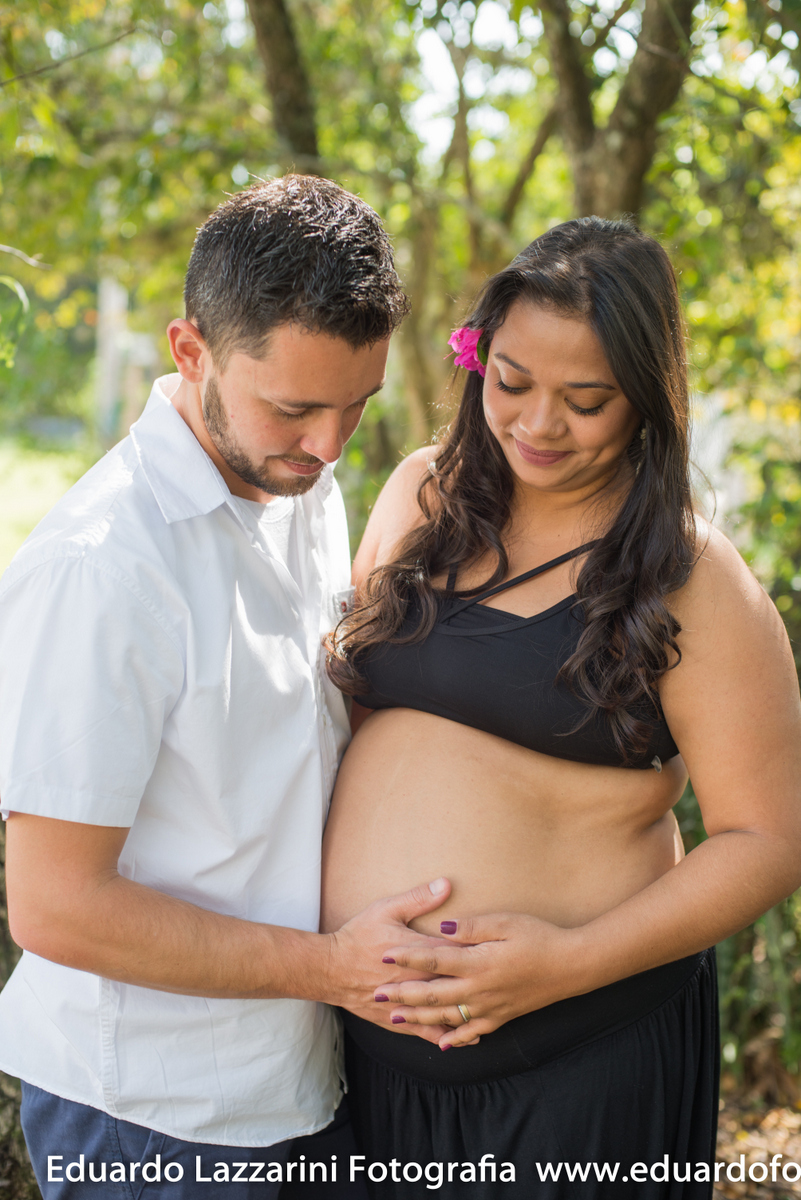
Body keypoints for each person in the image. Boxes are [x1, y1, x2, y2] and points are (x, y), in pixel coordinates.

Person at [322, 217, 801, 1197]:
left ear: (646, 403)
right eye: (513, 383)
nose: (539, 424)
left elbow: (771, 836)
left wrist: (567, 962)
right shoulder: (421, 492)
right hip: (366, 1061)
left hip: (579, 1060)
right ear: (478, 361)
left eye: (586, 401)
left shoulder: (691, 574)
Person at [0, 175, 456, 1200]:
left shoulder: (304, 484)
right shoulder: (102, 568)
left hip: (300, 1083)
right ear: (190, 350)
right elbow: (56, 906)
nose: (330, 444)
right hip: (152, 1124)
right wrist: (332, 967)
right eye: (295, 407)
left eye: (357, 405)